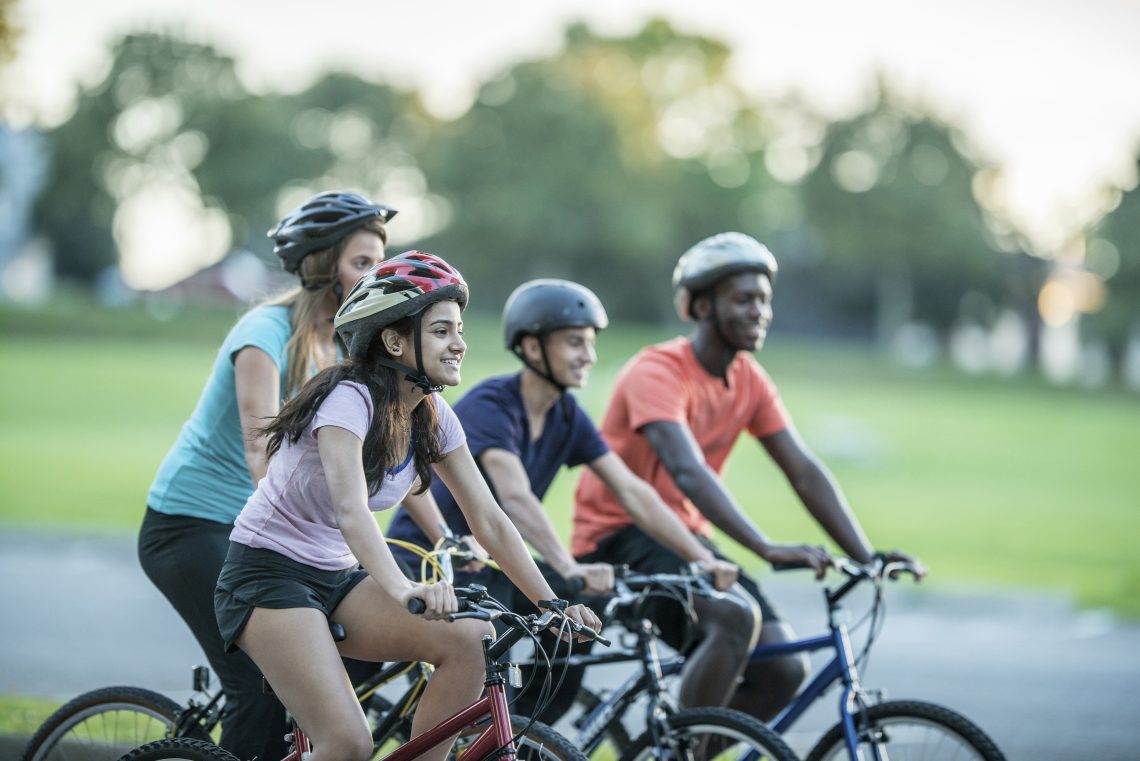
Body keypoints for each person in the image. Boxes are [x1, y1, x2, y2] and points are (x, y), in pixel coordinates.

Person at [214, 252, 601, 761]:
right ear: (394, 340)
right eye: (442, 331)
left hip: (335, 577)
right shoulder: (348, 400)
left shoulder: (432, 414)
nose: (460, 344)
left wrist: (551, 603)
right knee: (348, 744)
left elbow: (488, 518)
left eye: (458, 330)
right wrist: (403, 587)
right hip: (267, 576)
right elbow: (351, 509)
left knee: (470, 637)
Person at [573, 232, 926, 721]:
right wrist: (766, 548)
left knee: (784, 668)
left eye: (764, 300)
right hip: (619, 538)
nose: (759, 311)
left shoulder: (750, 380)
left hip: (685, 539)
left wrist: (866, 557)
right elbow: (687, 470)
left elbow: (802, 470)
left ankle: (691, 748)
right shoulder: (656, 371)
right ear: (700, 308)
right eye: (743, 300)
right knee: (735, 617)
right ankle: (680, 750)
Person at [385, 279, 739, 721]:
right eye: (575, 342)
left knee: (575, 617)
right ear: (533, 348)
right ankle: (483, 728)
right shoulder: (492, 403)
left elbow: (631, 491)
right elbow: (513, 496)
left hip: (491, 559)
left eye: (590, 344)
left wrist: (698, 556)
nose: (588, 356)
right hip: (435, 555)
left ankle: (528, 734)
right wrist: (567, 565)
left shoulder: (567, 415)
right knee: (536, 608)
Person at [138, 191, 394, 761]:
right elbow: (263, 452)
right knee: (258, 683)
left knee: (342, 655)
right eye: (362, 262)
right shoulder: (266, 332)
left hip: (258, 534)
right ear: (323, 268)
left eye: (382, 261)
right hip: (190, 525)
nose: (377, 275)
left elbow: (378, 457)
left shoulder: (347, 351)